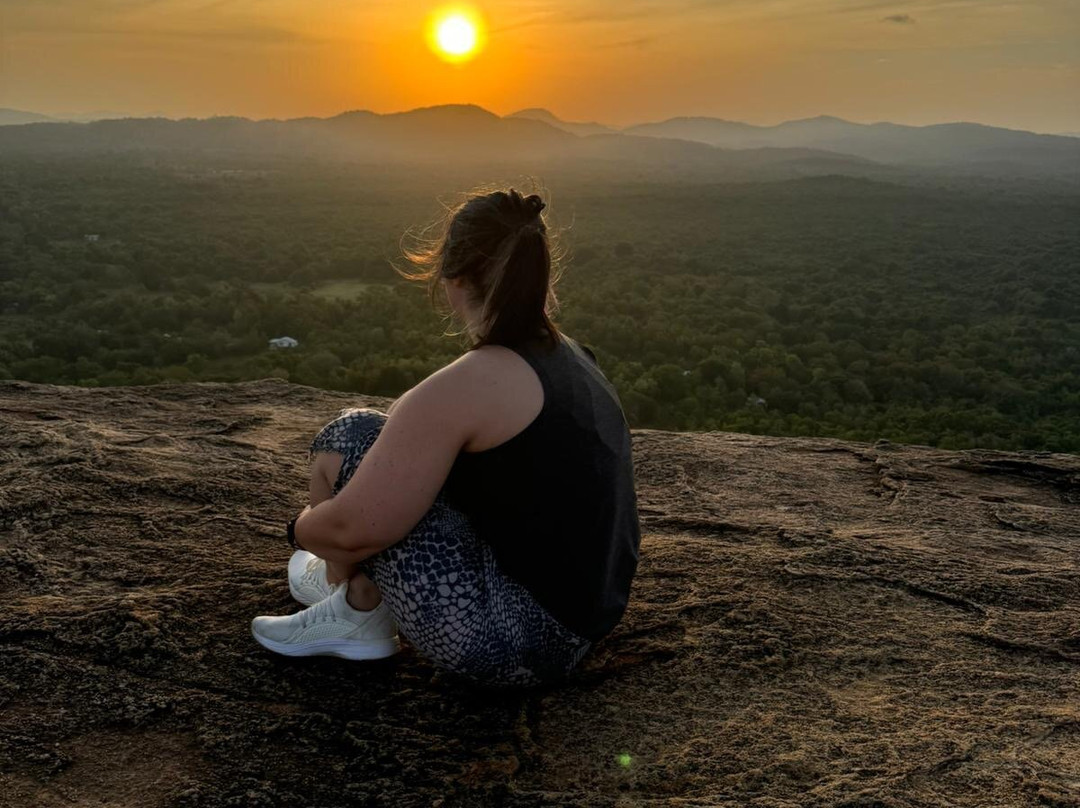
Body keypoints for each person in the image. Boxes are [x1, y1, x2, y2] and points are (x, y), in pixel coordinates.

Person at [250, 186, 642, 688]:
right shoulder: (573, 359)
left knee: (351, 434)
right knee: (401, 459)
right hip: (581, 625)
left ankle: (347, 600)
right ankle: (358, 597)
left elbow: (353, 527)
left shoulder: (467, 385)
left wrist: (301, 529)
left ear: (453, 279)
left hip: (507, 644)